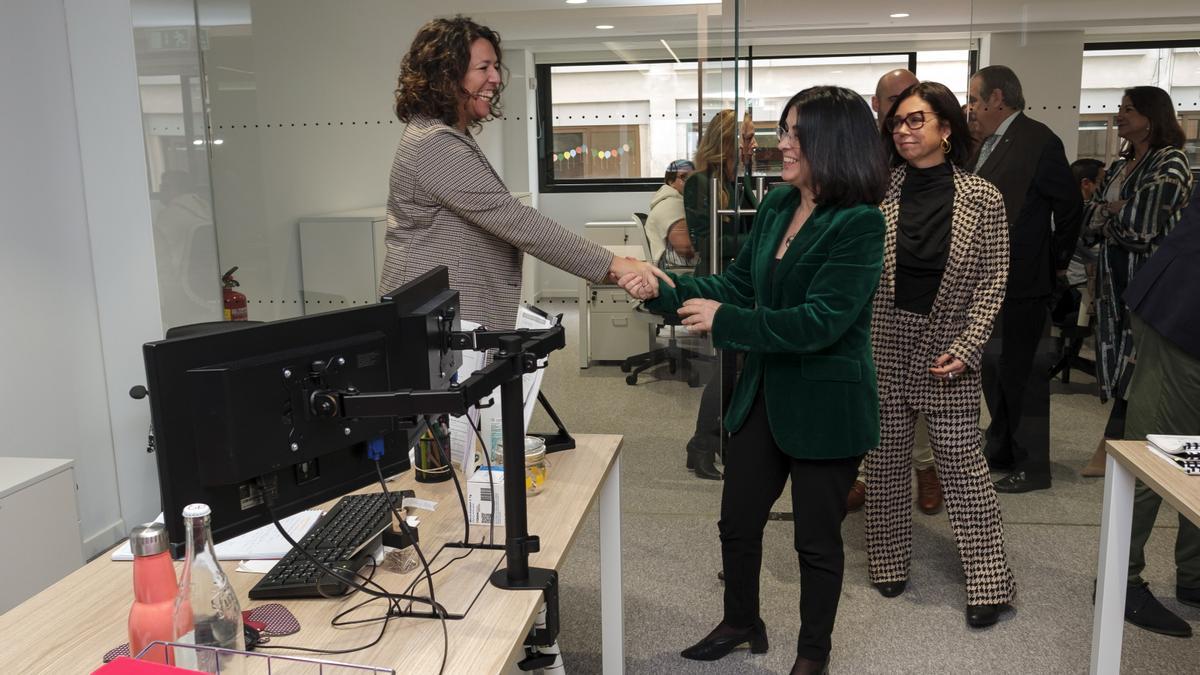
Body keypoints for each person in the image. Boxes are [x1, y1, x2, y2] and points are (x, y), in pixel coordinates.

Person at [621, 85, 888, 675]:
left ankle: (813, 655)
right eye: (784, 129)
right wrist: (666, 290)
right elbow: (739, 286)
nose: (781, 142)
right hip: (764, 393)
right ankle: (742, 621)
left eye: (795, 132)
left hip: (826, 406)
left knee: (815, 543)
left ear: (833, 142)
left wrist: (729, 321)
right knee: (737, 522)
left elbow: (821, 322)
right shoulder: (775, 206)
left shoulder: (861, 224)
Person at [378, 15, 669, 330]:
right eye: (483, 68)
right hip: (430, 314)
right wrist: (615, 264)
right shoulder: (435, 143)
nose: (495, 78)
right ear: (445, 77)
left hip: (441, 309)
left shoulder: (445, 134)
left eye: (495, 67)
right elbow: (517, 221)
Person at [865, 81, 1015, 628]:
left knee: (962, 466)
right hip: (884, 339)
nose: (903, 130)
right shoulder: (878, 190)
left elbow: (993, 282)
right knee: (884, 462)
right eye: (898, 122)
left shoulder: (983, 197)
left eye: (916, 120)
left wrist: (969, 346)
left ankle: (990, 581)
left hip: (948, 347)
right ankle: (887, 561)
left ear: (946, 129)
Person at [966, 65, 1083, 493]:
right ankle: (1001, 447)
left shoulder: (1038, 140)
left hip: (1024, 282)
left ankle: (1032, 466)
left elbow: (1069, 208)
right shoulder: (985, 145)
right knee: (995, 370)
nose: (971, 108)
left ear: (998, 98)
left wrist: (1055, 262)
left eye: (975, 99)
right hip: (989, 282)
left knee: (1023, 374)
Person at [1078, 86, 1193, 478]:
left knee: (1138, 367)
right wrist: (1114, 211)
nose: (1119, 114)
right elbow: (1089, 223)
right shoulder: (1121, 164)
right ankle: (1120, 447)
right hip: (1114, 286)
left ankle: (1115, 448)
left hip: (1153, 287)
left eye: (1128, 109)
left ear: (1150, 116)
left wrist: (1113, 213)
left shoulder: (1171, 162)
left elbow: (1142, 227)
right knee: (1122, 364)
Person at [848, 66, 943, 517]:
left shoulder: (940, 162)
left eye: (913, 103)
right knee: (878, 393)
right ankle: (870, 475)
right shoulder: (868, 157)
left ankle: (925, 468)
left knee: (922, 395)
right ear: (878, 107)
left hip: (930, 302)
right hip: (876, 294)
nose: (905, 113)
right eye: (895, 102)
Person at [1118, 185, 1200, 637]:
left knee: (1195, 451)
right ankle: (1121, 580)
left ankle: (1194, 575)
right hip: (1183, 311)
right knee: (1157, 449)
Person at [681, 109, 758, 480]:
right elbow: (705, 242)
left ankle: (714, 443)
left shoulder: (741, 180)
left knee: (738, 368)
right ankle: (701, 446)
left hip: (742, 285)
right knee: (729, 369)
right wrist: (757, 242)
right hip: (718, 282)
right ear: (728, 141)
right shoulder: (701, 182)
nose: (753, 144)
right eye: (746, 137)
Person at [644, 159, 696, 265]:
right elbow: (685, 248)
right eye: (684, 177)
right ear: (671, 182)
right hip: (677, 269)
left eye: (694, 178)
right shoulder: (671, 204)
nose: (691, 183)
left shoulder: (677, 200)